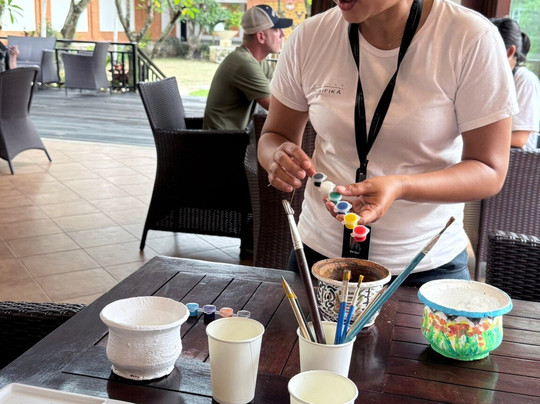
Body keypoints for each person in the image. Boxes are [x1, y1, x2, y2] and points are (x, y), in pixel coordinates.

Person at [258, 0, 518, 284]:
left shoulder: (470, 37)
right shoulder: (310, 36)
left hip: (424, 266)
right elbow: (274, 135)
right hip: (319, 257)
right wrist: (276, 157)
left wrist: (401, 186)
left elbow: (489, 169)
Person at [203, 5, 292, 130]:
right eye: (277, 29)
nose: (282, 34)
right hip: (220, 140)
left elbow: (281, 87)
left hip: (236, 136)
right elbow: (279, 109)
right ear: (261, 37)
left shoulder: (258, 61)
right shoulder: (244, 64)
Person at [491, 17, 540, 150]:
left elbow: (520, 139)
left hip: (514, 157)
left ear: (510, 52)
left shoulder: (525, 81)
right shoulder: (490, 77)